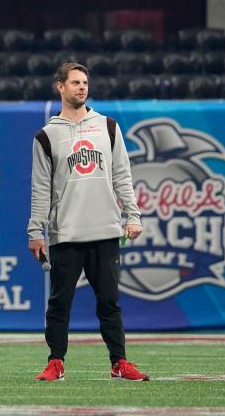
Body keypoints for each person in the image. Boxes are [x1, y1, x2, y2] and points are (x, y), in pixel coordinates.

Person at [28, 62, 148, 382]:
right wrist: (35, 231)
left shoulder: (108, 126)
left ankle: (119, 362)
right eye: (76, 82)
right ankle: (56, 362)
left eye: (85, 82)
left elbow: (122, 175)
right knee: (59, 304)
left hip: (105, 229)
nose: (82, 87)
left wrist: (132, 215)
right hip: (65, 232)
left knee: (109, 302)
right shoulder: (46, 135)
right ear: (60, 87)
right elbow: (40, 188)